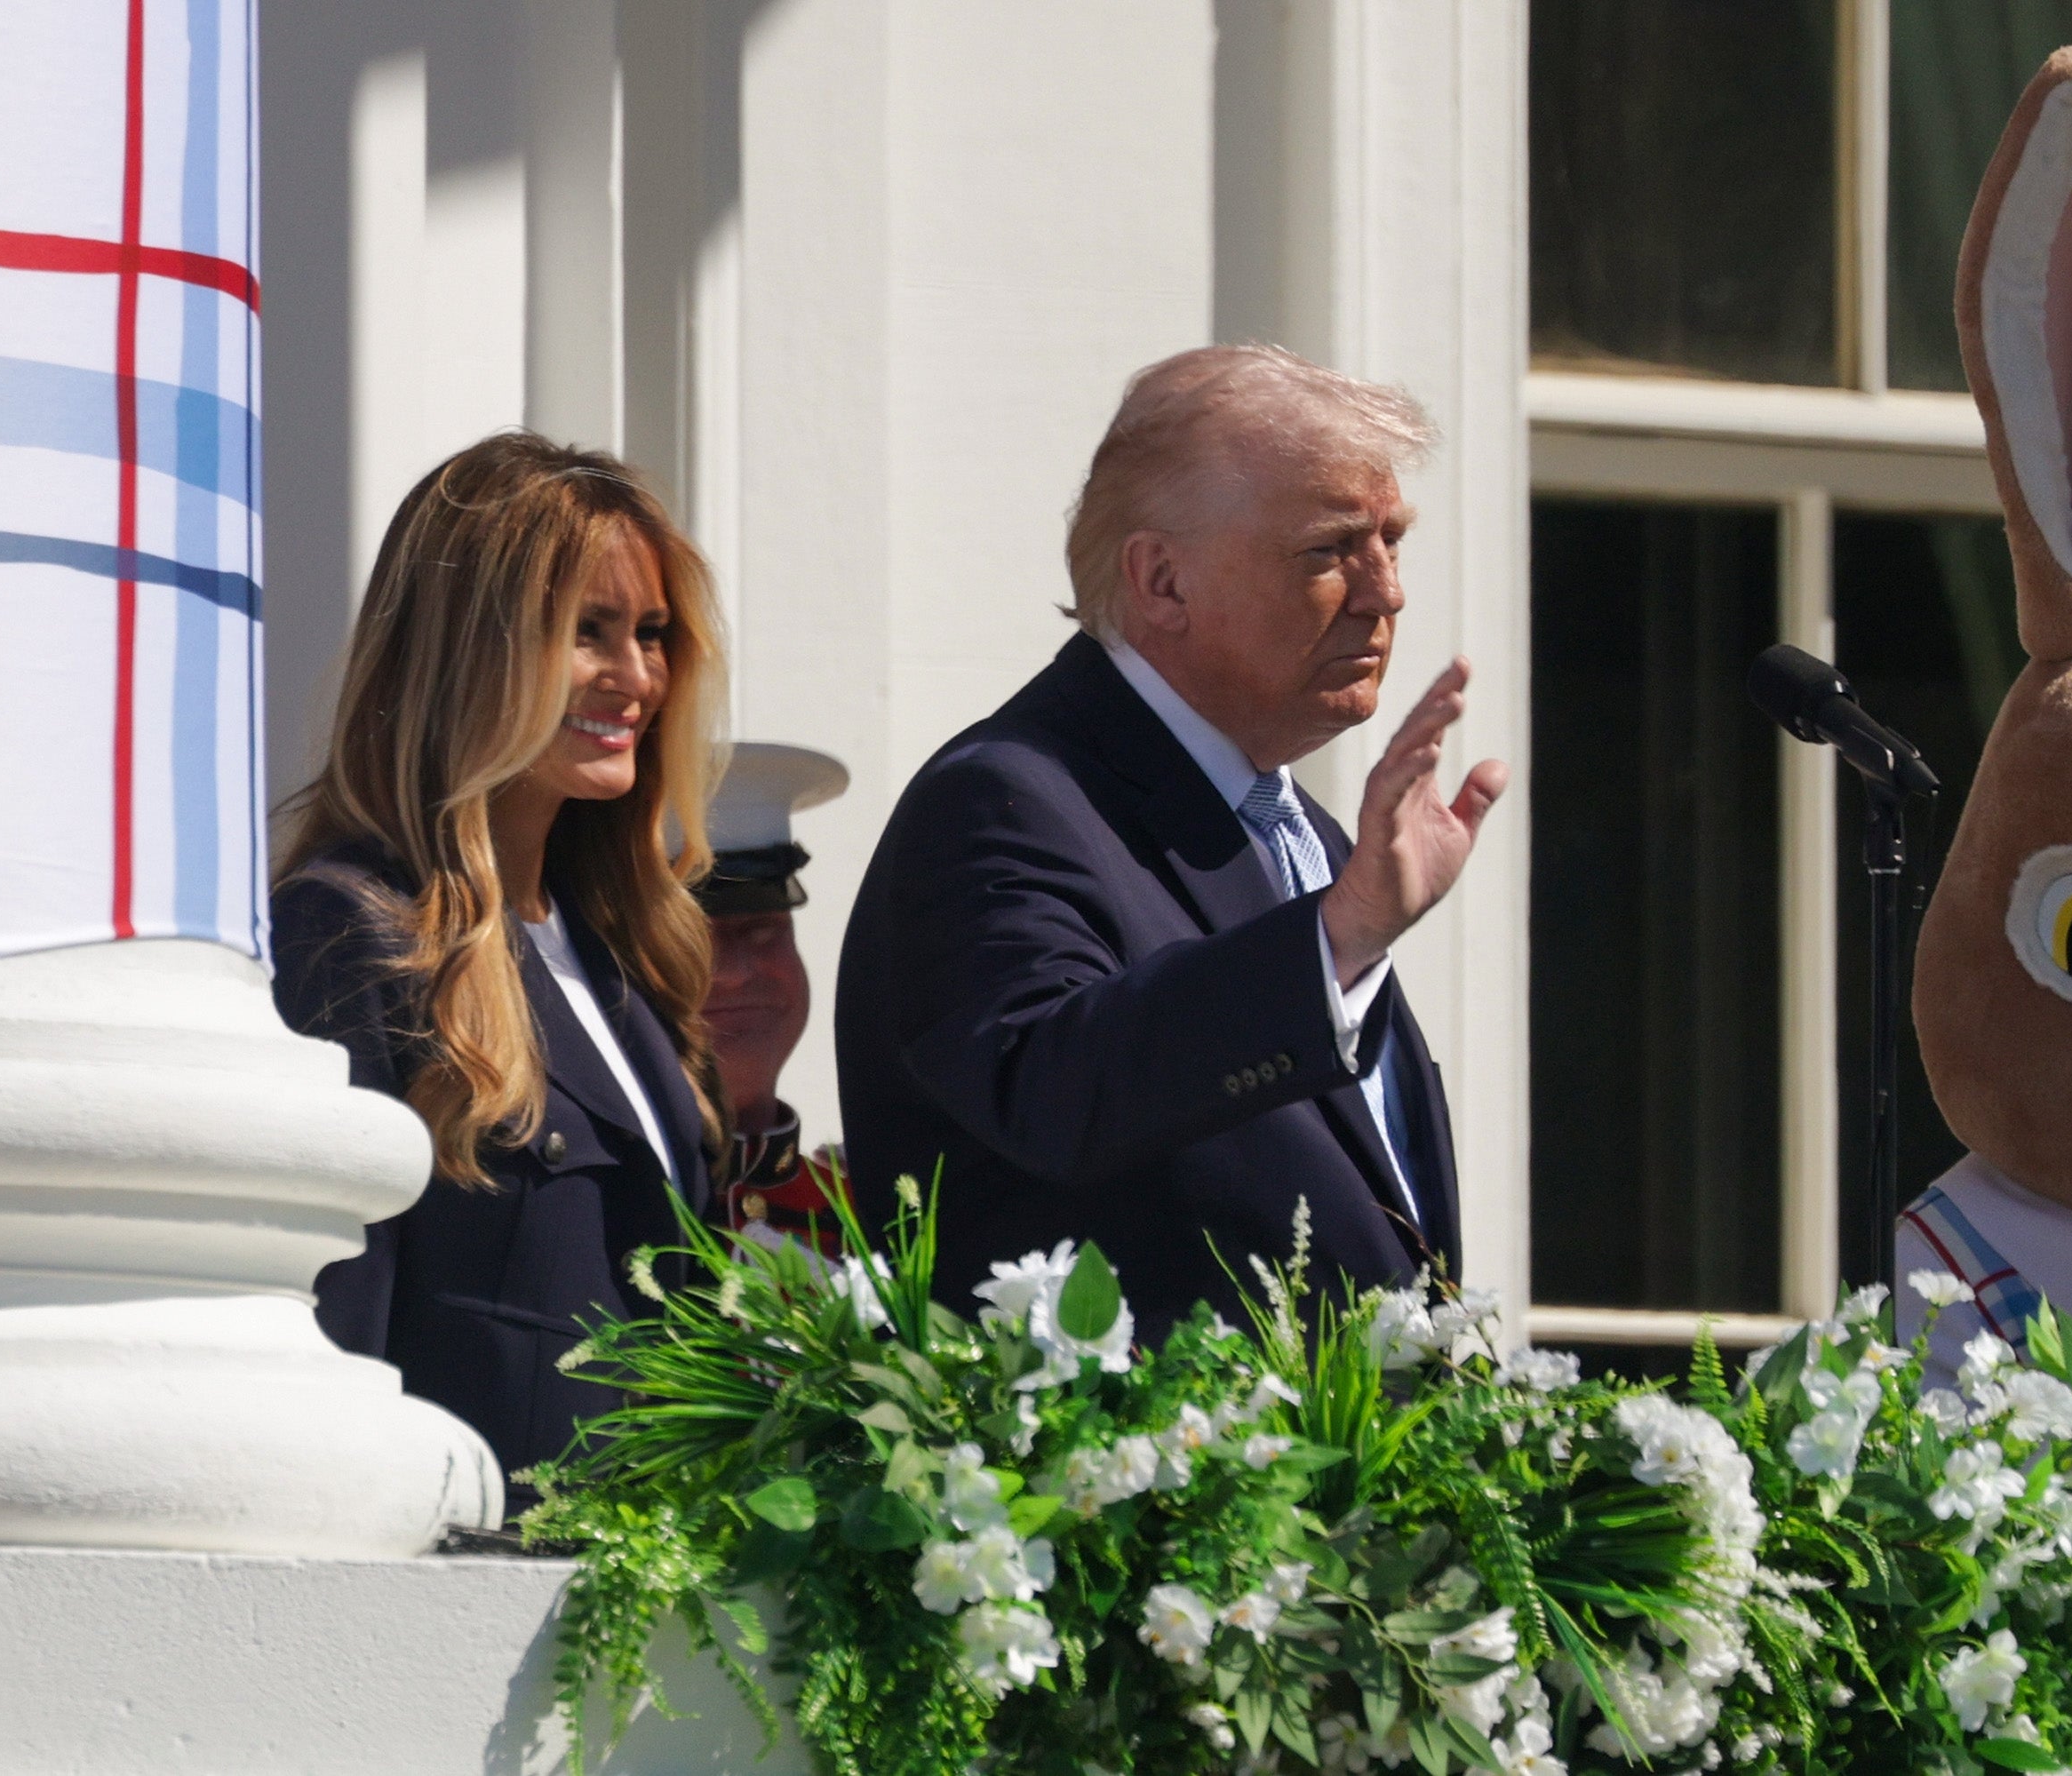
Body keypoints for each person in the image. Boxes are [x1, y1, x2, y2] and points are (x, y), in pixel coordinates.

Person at [838, 344, 1508, 1337]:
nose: (1385, 591)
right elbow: (1052, 1090)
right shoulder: (1007, 801)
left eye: (1392, 541)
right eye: (1329, 550)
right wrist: (1343, 936)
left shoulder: (1304, 836)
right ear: (1162, 582)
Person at [271, 432, 725, 1503]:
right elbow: (340, 1329)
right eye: (588, 633)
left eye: (651, 634)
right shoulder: (354, 932)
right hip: (468, 1600)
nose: (636, 678)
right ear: (469, 647)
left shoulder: (626, 953)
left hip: (646, 1605)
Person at [697, 740, 853, 1246]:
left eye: (764, 931)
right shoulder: (588, 1214)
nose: (735, 973)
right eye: (694, 944)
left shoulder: (868, 1219)